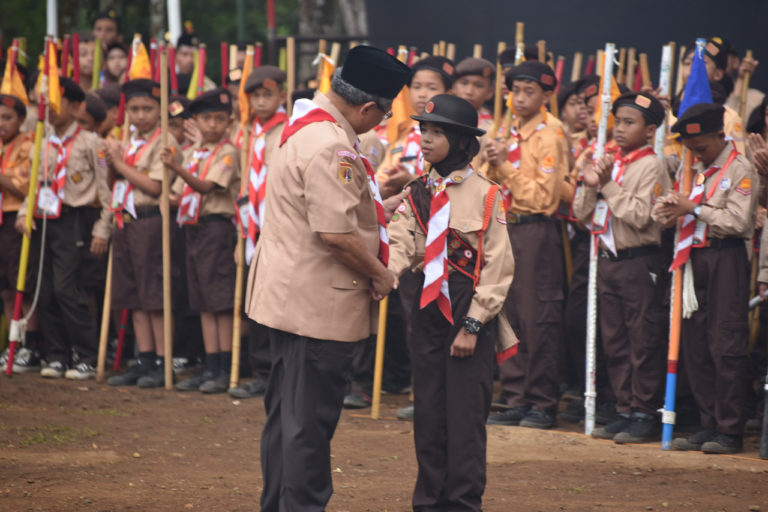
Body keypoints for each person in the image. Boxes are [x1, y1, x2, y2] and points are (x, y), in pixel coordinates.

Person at [244, 45, 409, 512]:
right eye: (382, 114)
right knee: (307, 428)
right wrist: (381, 275)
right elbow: (335, 234)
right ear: (368, 107)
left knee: (286, 420)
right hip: (316, 307)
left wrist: (384, 205)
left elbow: (332, 214)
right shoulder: (331, 144)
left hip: (287, 298)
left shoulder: (305, 125)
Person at [387, 93, 514, 512]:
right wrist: (382, 275)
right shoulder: (415, 193)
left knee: (464, 417)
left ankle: (462, 502)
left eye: (437, 132)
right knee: (428, 411)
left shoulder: (488, 195)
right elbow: (401, 244)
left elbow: (498, 269)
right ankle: (428, 501)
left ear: (461, 142)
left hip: (466, 307)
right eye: (424, 129)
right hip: (426, 304)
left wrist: (473, 325)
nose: (425, 138)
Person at [653, 102, 757, 454]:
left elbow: (738, 222)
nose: (696, 151)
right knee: (694, 342)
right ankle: (708, 421)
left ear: (719, 135)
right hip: (694, 258)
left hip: (725, 258)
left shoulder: (739, 168)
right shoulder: (694, 170)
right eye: (690, 147)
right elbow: (667, 213)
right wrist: (670, 208)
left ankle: (729, 428)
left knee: (724, 342)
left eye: (702, 145)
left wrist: (694, 209)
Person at [573, 92, 671, 443]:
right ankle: (624, 408)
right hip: (608, 259)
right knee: (614, 340)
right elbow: (584, 216)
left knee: (642, 338)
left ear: (650, 130)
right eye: (618, 121)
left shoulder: (651, 165)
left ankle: (645, 411)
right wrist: (589, 184)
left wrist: (608, 184)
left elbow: (643, 216)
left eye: (630, 122)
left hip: (638, 261)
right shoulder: (610, 160)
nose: (620, 129)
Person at [484, 61, 568, 429]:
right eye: (515, 91)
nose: (519, 98)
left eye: (529, 91)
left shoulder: (550, 135)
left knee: (539, 317)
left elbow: (543, 199)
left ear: (547, 95)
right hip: (504, 227)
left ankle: (543, 402)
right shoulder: (508, 131)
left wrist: (503, 167)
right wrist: (491, 164)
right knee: (508, 314)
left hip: (535, 230)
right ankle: (516, 396)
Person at [14, 78, 112, 380]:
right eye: (45, 105)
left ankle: (86, 355)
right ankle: (56, 354)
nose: (50, 111)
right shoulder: (42, 142)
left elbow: (105, 189)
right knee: (42, 289)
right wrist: (22, 212)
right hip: (44, 218)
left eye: (56, 105)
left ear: (75, 106)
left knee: (67, 289)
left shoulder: (91, 142)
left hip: (74, 219)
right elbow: (34, 185)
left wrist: (102, 228)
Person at [104, 79, 183, 388]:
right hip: (125, 219)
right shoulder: (129, 139)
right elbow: (116, 182)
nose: (140, 115)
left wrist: (120, 163)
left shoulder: (165, 141)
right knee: (133, 295)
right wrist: (113, 162)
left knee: (154, 294)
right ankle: (144, 358)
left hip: (151, 220)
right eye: (134, 109)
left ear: (160, 110)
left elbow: (154, 186)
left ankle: (164, 361)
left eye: (147, 109)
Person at [165, 88, 239, 393]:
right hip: (194, 228)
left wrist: (176, 168)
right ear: (194, 121)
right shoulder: (197, 151)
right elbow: (181, 196)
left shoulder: (228, 151)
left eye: (219, 119)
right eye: (206, 118)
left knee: (219, 301)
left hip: (216, 229)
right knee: (203, 302)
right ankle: (209, 365)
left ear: (228, 121)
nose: (212, 125)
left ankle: (223, 367)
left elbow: (207, 187)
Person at [228, 66, 289, 399]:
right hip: (253, 228)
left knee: (278, 300)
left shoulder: (289, 130)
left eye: (268, 94)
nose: (262, 101)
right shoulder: (248, 132)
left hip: (280, 227)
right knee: (255, 302)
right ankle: (262, 370)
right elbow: (244, 187)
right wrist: (243, 234)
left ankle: (278, 370)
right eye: (255, 96)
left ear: (282, 95)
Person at [0, 92, 41, 373]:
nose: (1, 123)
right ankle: (12, 343)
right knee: (4, 289)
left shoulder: (28, 147)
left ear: (22, 120)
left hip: (17, 219)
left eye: (7, 118)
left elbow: (24, 188)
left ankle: (31, 345)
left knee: (20, 287)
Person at [453, 57, 495, 131]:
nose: (469, 92)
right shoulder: (439, 118)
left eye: (478, 86)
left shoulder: (492, 129)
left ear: (489, 93)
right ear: (453, 87)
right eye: (464, 83)